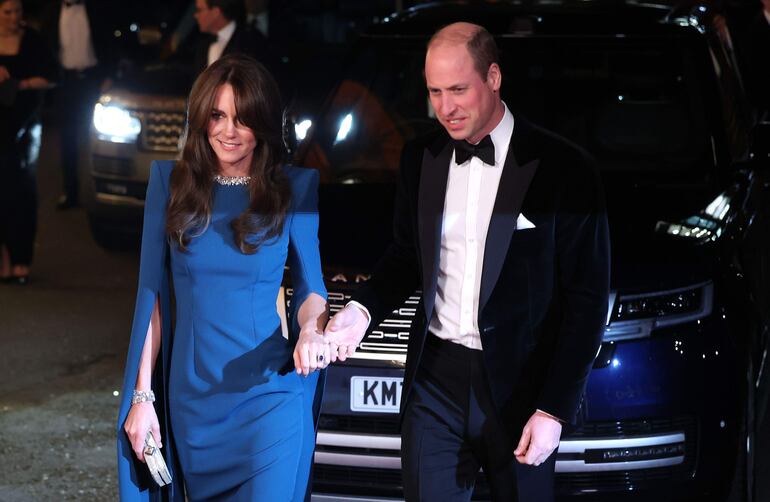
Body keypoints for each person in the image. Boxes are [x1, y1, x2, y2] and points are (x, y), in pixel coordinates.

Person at [323, 22, 610, 501]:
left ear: (493, 78)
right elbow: (407, 256)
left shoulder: (565, 169)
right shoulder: (420, 157)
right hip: (435, 379)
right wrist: (363, 310)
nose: (446, 108)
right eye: (434, 92)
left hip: (521, 388)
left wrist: (554, 409)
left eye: (458, 90)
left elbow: (588, 299)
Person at [116, 54, 330, 501]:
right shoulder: (171, 184)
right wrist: (142, 397)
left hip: (268, 399)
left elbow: (311, 288)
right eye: (217, 115)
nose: (229, 131)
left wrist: (312, 329)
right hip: (195, 408)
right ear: (200, 117)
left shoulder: (293, 189)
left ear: (263, 122)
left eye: (243, 118)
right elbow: (152, 298)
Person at [41, 0, 120, 209]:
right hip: (65, 82)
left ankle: (103, 190)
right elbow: (45, 45)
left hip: (93, 81)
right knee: (67, 139)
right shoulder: (52, 12)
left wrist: (110, 75)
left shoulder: (95, 9)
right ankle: (71, 193)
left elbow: (110, 42)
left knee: (99, 136)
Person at [0, 0, 57, 284]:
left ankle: (21, 257)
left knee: (20, 188)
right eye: (7, 12)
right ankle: (3, 259)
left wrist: (20, 84)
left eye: (18, 11)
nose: (14, 17)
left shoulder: (33, 40)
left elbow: (52, 76)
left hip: (23, 123)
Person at [191, 0, 269, 74]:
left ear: (215, 12)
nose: (196, 15)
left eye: (199, 10)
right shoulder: (201, 45)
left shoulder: (251, 40)